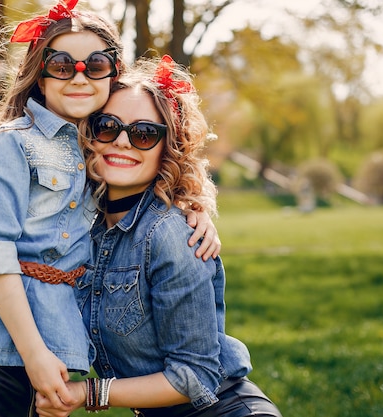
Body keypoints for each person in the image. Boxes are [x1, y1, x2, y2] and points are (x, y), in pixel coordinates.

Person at [0, 1, 220, 415]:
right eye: (63, 65)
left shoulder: (91, 154)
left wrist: (195, 206)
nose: (79, 76)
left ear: (112, 74)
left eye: (95, 65)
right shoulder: (14, 144)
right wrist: (31, 356)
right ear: (40, 75)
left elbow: (151, 175)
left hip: (51, 346)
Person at [31, 55, 282, 417]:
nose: (121, 141)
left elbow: (194, 376)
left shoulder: (172, 235)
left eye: (144, 134)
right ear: (89, 132)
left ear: (168, 147)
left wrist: (89, 393)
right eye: (107, 126)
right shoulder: (78, 227)